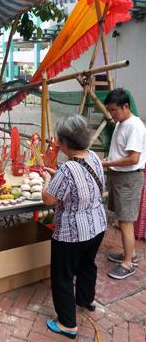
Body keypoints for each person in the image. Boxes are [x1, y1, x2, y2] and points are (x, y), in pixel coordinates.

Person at [41, 115, 107, 340]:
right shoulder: (95, 158)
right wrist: (55, 176)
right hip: (97, 226)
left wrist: (45, 181)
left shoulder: (68, 168)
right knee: (88, 265)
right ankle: (85, 299)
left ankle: (67, 324)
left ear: (65, 142)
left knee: (62, 275)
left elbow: (48, 199)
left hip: (72, 233)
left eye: (59, 141)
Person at [103, 88, 146, 279]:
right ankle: (131, 255)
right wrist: (110, 159)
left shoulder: (134, 126)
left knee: (126, 222)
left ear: (125, 106)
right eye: (110, 111)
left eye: (114, 110)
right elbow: (121, 152)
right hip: (119, 178)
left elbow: (133, 159)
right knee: (121, 220)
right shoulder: (121, 122)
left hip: (129, 179)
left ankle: (128, 264)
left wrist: (109, 162)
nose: (112, 115)